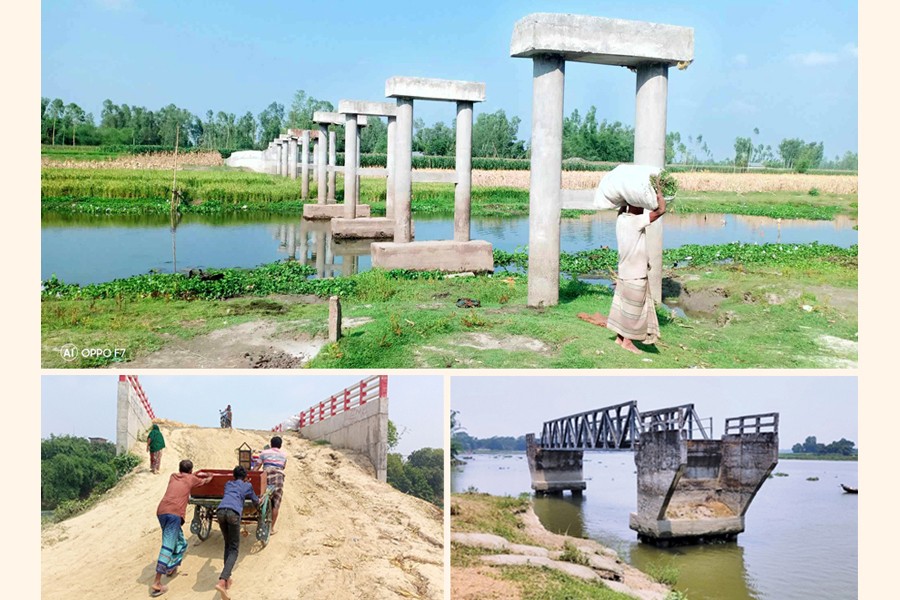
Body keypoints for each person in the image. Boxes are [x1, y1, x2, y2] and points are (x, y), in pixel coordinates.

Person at [579, 184, 667, 354]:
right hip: (636, 274)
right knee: (634, 312)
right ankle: (627, 342)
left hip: (624, 273)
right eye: (641, 205)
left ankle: (620, 339)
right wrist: (659, 192)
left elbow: (622, 209)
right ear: (637, 205)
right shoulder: (636, 221)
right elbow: (660, 210)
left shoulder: (622, 219)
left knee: (624, 308)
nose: (643, 209)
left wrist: (626, 198)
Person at [152, 459, 213, 597]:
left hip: (162, 511)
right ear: (191, 470)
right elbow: (206, 481)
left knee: (181, 542)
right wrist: (210, 475)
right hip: (174, 514)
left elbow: (188, 477)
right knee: (167, 545)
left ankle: (170, 567)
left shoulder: (173, 476)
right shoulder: (191, 479)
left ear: (179, 469)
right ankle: (157, 582)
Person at [214, 466, 259, 600]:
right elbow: (255, 501)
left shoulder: (228, 484)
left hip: (220, 511)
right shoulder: (248, 485)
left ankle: (227, 578)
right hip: (233, 513)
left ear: (233, 476)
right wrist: (258, 502)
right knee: (234, 549)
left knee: (228, 545)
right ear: (245, 477)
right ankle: (222, 581)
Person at [257, 436, 288, 535]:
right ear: (280, 445)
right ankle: (271, 529)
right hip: (278, 479)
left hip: (266, 477)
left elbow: (257, 466)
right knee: (276, 503)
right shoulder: (284, 455)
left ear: (271, 444)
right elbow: (283, 466)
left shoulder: (264, 453)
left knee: (262, 496)